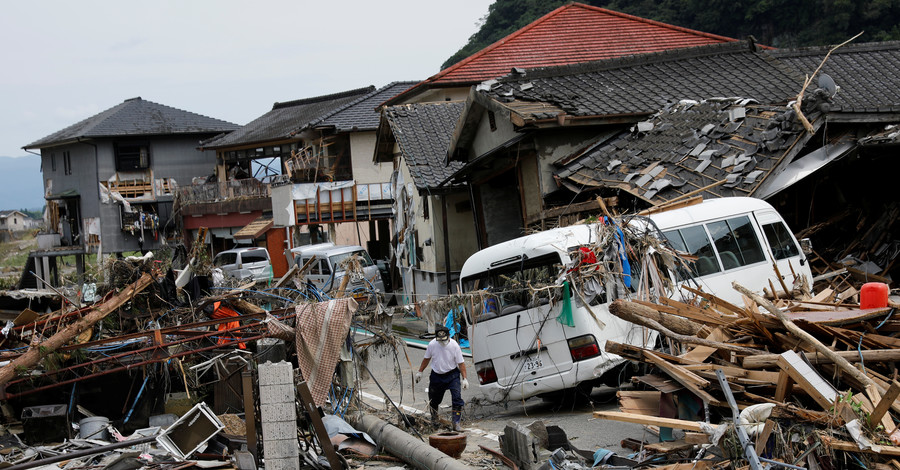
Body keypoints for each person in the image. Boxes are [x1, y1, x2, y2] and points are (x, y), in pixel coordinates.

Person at [415, 326, 468, 431]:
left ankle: (456, 423)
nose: (442, 343)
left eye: (444, 340)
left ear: (448, 336)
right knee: (434, 400)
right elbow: (426, 359)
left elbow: (461, 363)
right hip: (437, 375)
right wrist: (420, 372)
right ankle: (434, 419)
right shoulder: (432, 344)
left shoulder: (454, 346)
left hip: (452, 375)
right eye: (440, 341)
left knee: (457, 398)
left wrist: (464, 378)